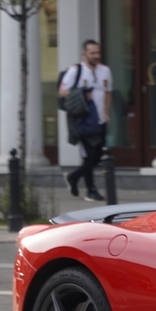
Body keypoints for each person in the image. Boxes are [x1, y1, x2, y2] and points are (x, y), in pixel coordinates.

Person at [59, 40, 112, 202]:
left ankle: (74, 177)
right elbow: (62, 92)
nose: (96, 56)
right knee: (90, 155)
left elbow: (108, 92)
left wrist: (105, 112)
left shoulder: (105, 71)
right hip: (83, 119)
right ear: (84, 54)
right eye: (92, 53)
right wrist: (81, 94)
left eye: (98, 53)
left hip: (99, 120)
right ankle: (91, 190)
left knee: (96, 156)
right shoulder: (76, 71)